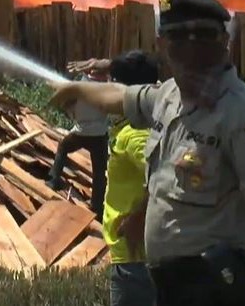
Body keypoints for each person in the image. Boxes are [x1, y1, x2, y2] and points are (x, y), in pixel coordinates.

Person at [48, 0, 245, 306]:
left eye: (203, 36)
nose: (191, 49)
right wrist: (77, 89)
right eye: (178, 38)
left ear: (225, 42)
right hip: (170, 287)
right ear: (161, 44)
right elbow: (119, 97)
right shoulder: (167, 97)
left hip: (218, 289)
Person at [101, 50, 159, 306]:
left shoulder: (136, 134)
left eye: (111, 84)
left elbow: (164, 178)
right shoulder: (127, 128)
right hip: (131, 257)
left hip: (135, 260)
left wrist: (138, 218)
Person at [46, 67, 110, 219]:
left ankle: (54, 179)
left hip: (81, 132)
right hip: (100, 135)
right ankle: (97, 206)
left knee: (63, 147)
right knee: (99, 172)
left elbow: (66, 105)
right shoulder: (107, 90)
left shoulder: (78, 88)